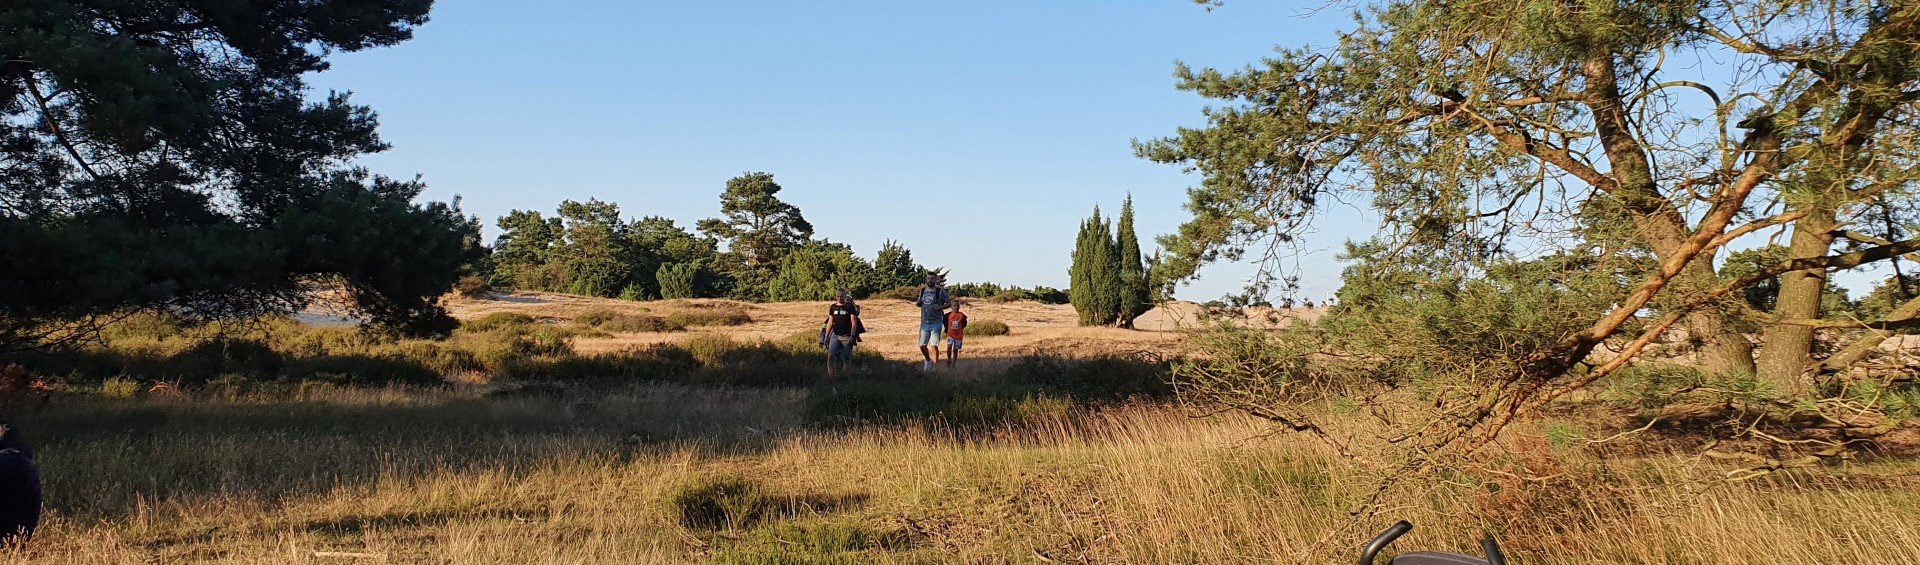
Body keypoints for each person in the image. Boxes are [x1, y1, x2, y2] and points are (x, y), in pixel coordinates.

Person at [913, 273, 950, 371]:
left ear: (936, 280)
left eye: (932, 278)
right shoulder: (923, 290)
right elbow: (919, 302)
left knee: (934, 345)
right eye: (928, 278)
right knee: (922, 345)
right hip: (924, 321)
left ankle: (935, 367)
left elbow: (949, 303)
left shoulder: (940, 291)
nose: (930, 280)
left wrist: (940, 307)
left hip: (936, 322)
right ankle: (928, 360)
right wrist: (918, 303)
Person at [822, 289, 862, 377]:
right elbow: (830, 322)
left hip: (847, 336)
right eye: (838, 296)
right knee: (831, 356)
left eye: (841, 296)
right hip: (835, 336)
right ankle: (832, 378)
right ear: (835, 297)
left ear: (845, 296)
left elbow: (854, 322)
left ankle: (846, 378)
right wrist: (826, 336)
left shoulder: (849, 306)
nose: (840, 298)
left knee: (847, 359)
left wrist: (852, 336)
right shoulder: (833, 307)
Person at [944, 301, 969, 367]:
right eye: (954, 306)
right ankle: (949, 360)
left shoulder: (962, 315)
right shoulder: (947, 315)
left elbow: (964, 324)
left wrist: (960, 329)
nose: (956, 307)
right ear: (951, 307)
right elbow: (945, 324)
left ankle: (954, 363)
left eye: (958, 305)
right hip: (950, 335)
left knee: (955, 350)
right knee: (949, 347)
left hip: (958, 336)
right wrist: (946, 331)